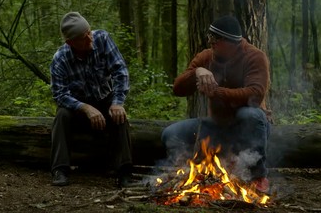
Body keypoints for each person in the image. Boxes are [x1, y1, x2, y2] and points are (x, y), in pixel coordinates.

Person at [160, 15, 271, 193]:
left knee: (251, 114)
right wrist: (197, 71)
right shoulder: (206, 57)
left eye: (216, 39)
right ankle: (188, 172)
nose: (211, 42)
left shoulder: (255, 56)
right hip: (217, 124)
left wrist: (217, 92)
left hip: (247, 127)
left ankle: (258, 176)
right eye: (210, 37)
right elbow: (178, 89)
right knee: (171, 133)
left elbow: (255, 94)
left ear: (231, 42)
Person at [49, 12, 134, 187]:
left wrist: (117, 102)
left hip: (104, 98)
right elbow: (60, 95)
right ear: (70, 42)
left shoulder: (102, 38)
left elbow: (121, 71)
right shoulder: (60, 58)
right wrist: (86, 108)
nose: (90, 38)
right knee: (61, 116)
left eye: (89, 32)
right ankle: (60, 170)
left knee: (120, 118)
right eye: (83, 37)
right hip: (77, 107)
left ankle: (125, 172)